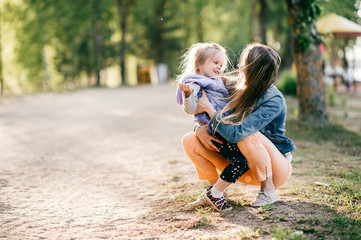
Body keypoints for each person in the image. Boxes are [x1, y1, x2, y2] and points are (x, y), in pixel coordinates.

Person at [181, 42, 296, 211]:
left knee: (248, 135)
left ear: (253, 69)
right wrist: (199, 129)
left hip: (274, 170)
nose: (239, 65)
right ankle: (216, 192)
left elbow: (237, 134)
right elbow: (205, 90)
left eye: (244, 62)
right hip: (244, 166)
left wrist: (210, 110)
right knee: (190, 140)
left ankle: (268, 191)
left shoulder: (273, 100)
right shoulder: (236, 86)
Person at [176, 42, 250, 203]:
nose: (219, 67)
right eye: (215, 63)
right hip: (215, 131)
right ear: (199, 65)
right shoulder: (196, 83)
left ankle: (217, 191)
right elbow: (191, 109)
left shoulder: (220, 82)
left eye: (221, 64)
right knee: (240, 162)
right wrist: (188, 95)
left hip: (224, 127)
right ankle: (215, 192)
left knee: (241, 160)